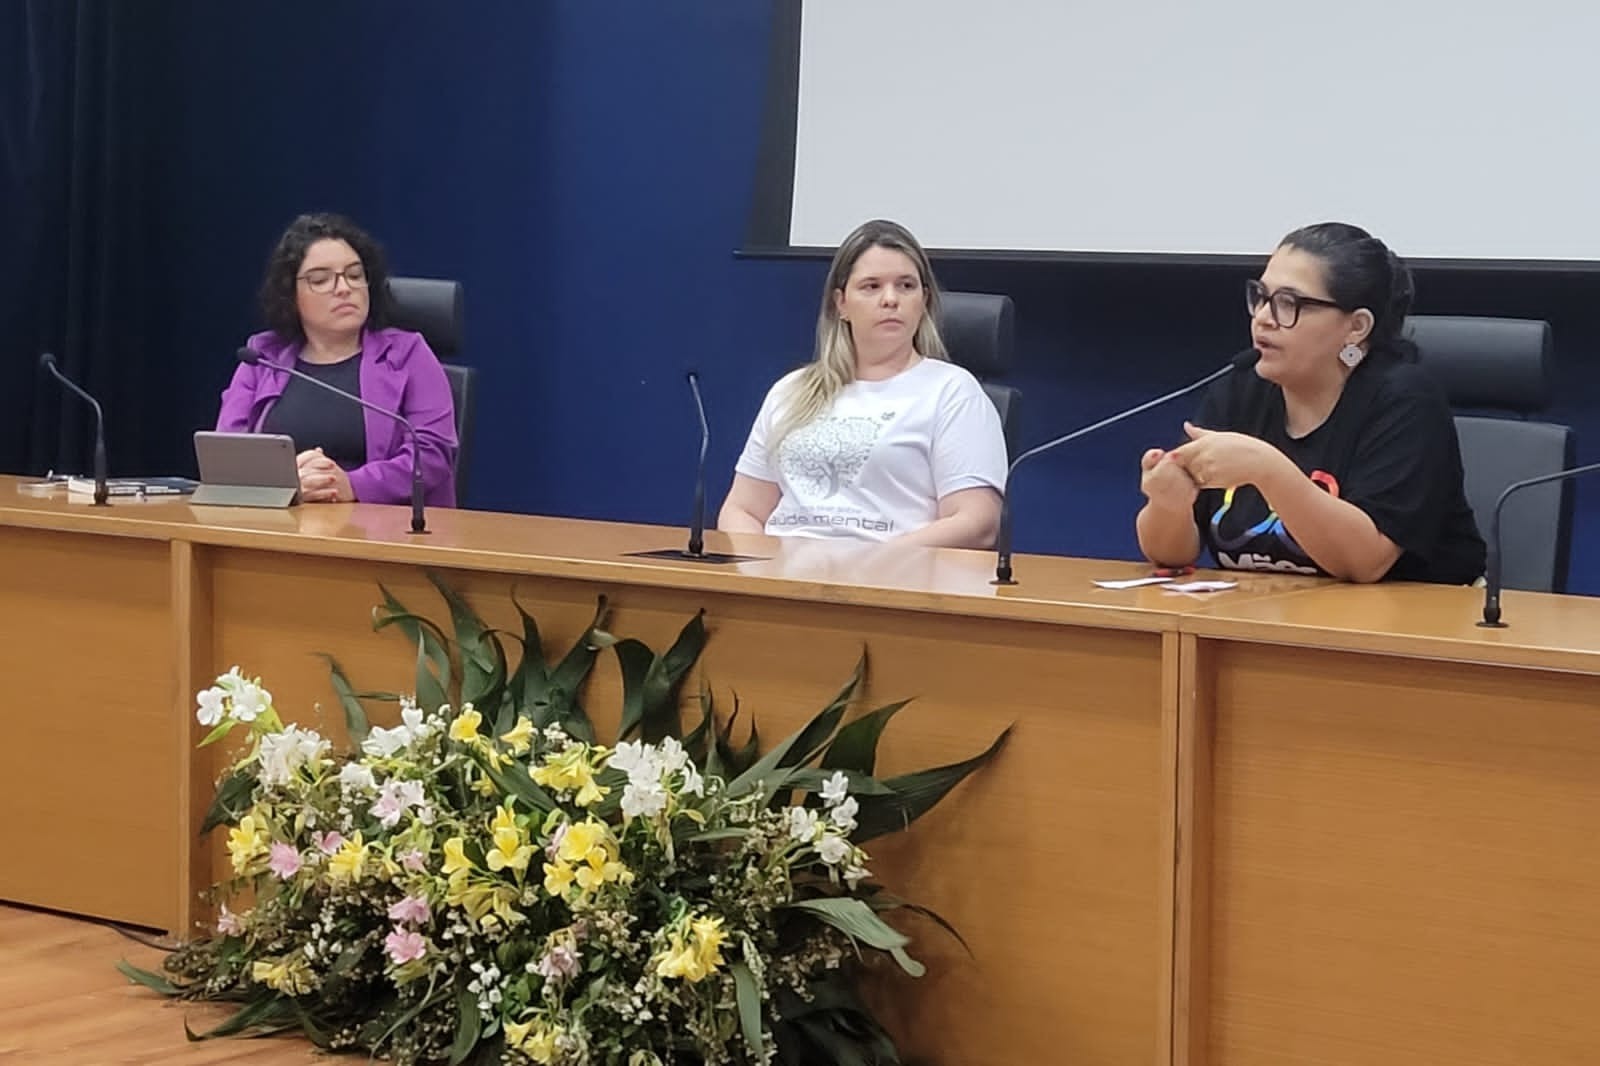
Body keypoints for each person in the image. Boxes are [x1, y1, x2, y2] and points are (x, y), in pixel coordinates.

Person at [1136, 221, 1484, 584]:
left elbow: (1364, 562)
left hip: (1411, 615)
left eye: (1289, 303)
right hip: (1271, 614)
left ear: (1356, 327)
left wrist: (1266, 469)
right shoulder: (1240, 389)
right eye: (1261, 297)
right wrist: (1169, 503)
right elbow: (1170, 555)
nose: (1263, 318)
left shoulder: (1404, 400)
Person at [718, 219, 1007, 548]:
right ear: (840, 303)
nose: (890, 299)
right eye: (871, 286)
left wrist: (872, 564)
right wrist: (762, 567)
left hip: (892, 572)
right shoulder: (790, 391)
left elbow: (977, 522)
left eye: (906, 286)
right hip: (781, 572)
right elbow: (742, 510)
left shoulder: (952, 392)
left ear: (924, 300)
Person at [216, 213, 458, 506]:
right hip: (281, 523)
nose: (344, 288)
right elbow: (227, 457)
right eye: (321, 279)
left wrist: (351, 485)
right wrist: (287, 484)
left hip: (383, 525)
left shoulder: (408, 353)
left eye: (354, 275)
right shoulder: (262, 357)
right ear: (290, 294)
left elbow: (432, 454)